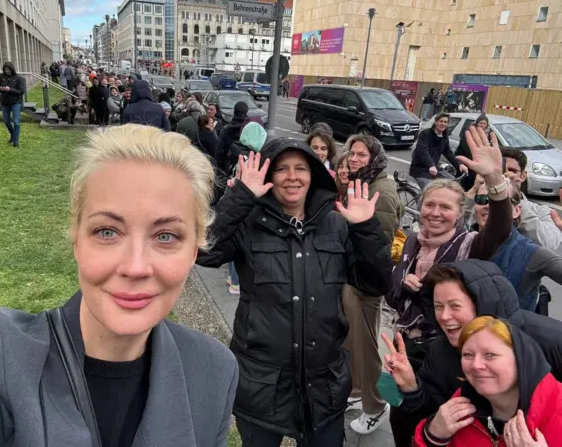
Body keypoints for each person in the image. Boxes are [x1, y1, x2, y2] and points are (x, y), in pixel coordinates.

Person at [0, 125, 239, 447]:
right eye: (107, 232)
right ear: (76, 240)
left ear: (194, 251)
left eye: (166, 236)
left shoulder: (212, 370)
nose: (135, 267)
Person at [197, 139, 393, 446]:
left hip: (324, 386)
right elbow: (204, 251)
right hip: (262, 385)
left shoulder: (337, 224)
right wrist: (240, 196)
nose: (292, 176)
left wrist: (365, 228)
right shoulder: (249, 223)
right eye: (282, 169)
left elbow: (376, 283)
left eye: (301, 168)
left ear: (313, 175)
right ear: (269, 177)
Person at [384, 260, 562, 446]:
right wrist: (412, 389)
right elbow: (432, 411)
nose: (444, 316)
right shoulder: (441, 351)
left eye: (455, 306)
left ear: (481, 304)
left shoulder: (551, 342)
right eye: (438, 307)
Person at [387, 126, 512, 371]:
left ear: (458, 215)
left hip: (447, 353)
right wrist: (404, 284)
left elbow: (500, 230)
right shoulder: (413, 242)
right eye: (429, 205)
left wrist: (495, 180)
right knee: (402, 404)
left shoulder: (471, 245)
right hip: (405, 343)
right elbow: (392, 298)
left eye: (445, 207)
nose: (435, 213)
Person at [336, 135, 403, 434]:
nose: (354, 158)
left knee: (366, 348)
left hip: (366, 283)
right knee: (353, 343)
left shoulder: (382, 191)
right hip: (353, 277)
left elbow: (382, 248)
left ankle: (376, 406)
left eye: (362, 154)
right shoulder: (362, 182)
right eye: (352, 153)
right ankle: (357, 391)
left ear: (374, 157)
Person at [414, 316, 562, 447]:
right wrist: (432, 435)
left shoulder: (557, 412)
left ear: (521, 360)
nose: (476, 365)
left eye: (490, 355)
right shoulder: (462, 403)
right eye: (468, 354)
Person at [464, 180, 562, 311]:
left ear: (517, 211)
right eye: (482, 199)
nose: (488, 205)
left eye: (499, 201)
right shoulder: (460, 242)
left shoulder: (532, 253)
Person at [223, 121, 268, 296]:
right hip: (244, 201)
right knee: (241, 243)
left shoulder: (236, 150)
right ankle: (235, 282)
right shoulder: (251, 158)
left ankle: (230, 277)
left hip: (233, 197)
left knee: (232, 235)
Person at [500, 147, 562, 252]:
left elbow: (550, 244)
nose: (506, 175)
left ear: (523, 176)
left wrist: (514, 197)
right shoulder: (481, 203)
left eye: (512, 170)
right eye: (501, 170)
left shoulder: (540, 211)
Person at [410, 113, 468, 191]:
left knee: (453, 183)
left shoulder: (444, 137)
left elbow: (448, 153)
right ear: (436, 122)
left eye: (445, 122)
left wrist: (459, 164)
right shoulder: (425, 133)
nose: (443, 124)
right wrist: (431, 165)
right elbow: (422, 151)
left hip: (434, 169)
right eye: (441, 121)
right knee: (429, 192)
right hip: (420, 169)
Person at [0, 61, 26, 148]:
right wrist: (0, 88)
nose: (7, 71)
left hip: (15, 103)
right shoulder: (1, 77)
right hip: (5, 103)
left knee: (16, 122)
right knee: (6, 121)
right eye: (5, 69)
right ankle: (13, 135)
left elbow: (21, 91)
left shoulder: (18, 78)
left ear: (12, 69)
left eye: (9, 69)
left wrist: (10, 89)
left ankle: (16, 142)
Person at [455, 114, 489, 191]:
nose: (482, 125)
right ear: (477, 123)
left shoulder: (485, 135)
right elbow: (468, 150)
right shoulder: (468, 134)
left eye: (484, 123)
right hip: (465, 161)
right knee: (464, 183)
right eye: (481, 123)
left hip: (476, 163)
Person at [215, 101, 249, 173]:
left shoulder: (226, 129)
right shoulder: (250, 128)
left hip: (229, 165)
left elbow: (220, 151)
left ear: (234, 111)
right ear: (246, 112)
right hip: (247, 163)